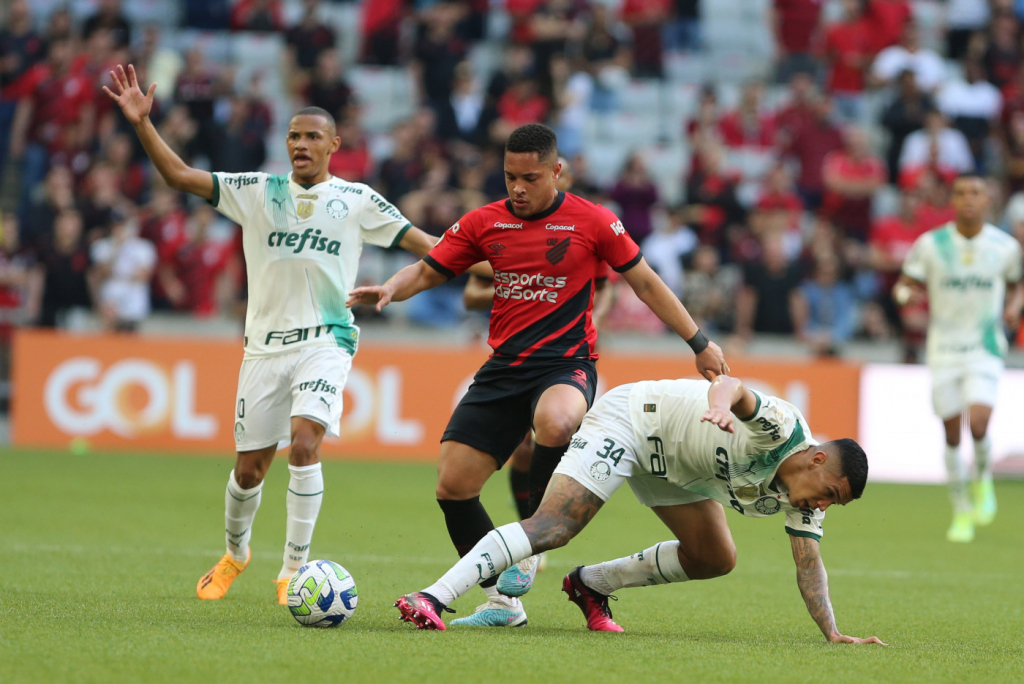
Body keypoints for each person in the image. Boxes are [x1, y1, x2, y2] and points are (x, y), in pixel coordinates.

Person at [348, 124, 728, 628]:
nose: (517, 188)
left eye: (529, 177)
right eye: (509, 177)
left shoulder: (592, 221)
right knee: (452, 486)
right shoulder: (485, 222)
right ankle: (503, 604)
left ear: (556, 171)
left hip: (565, 365)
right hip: (504, 369)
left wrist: (699, 342)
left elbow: (646, 282)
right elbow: (429, 269)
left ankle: (531, 537)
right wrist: (391, 289)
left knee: (558, 421)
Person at [103, 64, 442, 603]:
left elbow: (429, 245)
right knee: (248, 471)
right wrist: (143, 124)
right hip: (263, 347)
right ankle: (236, 554)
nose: (300, 144)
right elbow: (181, 177)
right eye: (293, 135)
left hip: (328, 339)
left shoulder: (359, 201)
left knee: (305, 444)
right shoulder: (257, 191)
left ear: (335, 143)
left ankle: (293, 572)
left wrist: (499, 263)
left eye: (311, 136)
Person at [394, 373, 884, 647]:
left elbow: (808, 564)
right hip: (632, 421)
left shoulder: (803, 500)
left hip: (676, 467)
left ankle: (590, 585)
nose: (823, 506)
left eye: (831, 504)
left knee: (715, 557)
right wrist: (717, 406)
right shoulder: (781, 426)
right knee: (554, 527)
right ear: (817, 459)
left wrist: (834, 634)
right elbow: (733, 387)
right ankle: (432, 597)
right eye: (830, 493)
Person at [893, 174, 1024, 543]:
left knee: (979, 423)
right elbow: (905, 284)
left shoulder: (1004, 247)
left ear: (988, 201)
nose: (969, 199)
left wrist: (1014, 308)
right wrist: (906, 297)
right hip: (944, 349)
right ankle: (961, 509)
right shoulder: (931, 244)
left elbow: (1017, 285)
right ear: (952, 200)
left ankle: (982, 479)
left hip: (985, 347)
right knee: (952, 433)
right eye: (962, 192)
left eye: (977, 192)